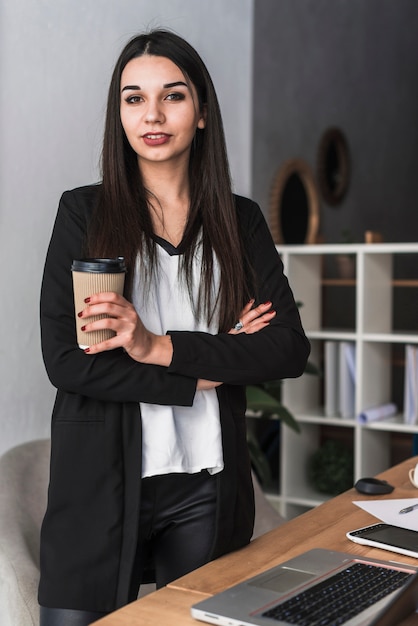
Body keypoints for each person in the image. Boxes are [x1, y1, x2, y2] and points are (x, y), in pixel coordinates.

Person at [38, 29, 310, 625]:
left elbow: (286, 347)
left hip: (205, 488)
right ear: (119, 116)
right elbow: (68, 361)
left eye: (174, 96)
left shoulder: (240, 222)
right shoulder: (83, 213)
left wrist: (155, 346)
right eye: (133, 98)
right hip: (99, 485)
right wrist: (200, 374)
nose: (153, 114)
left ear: (203, 113)